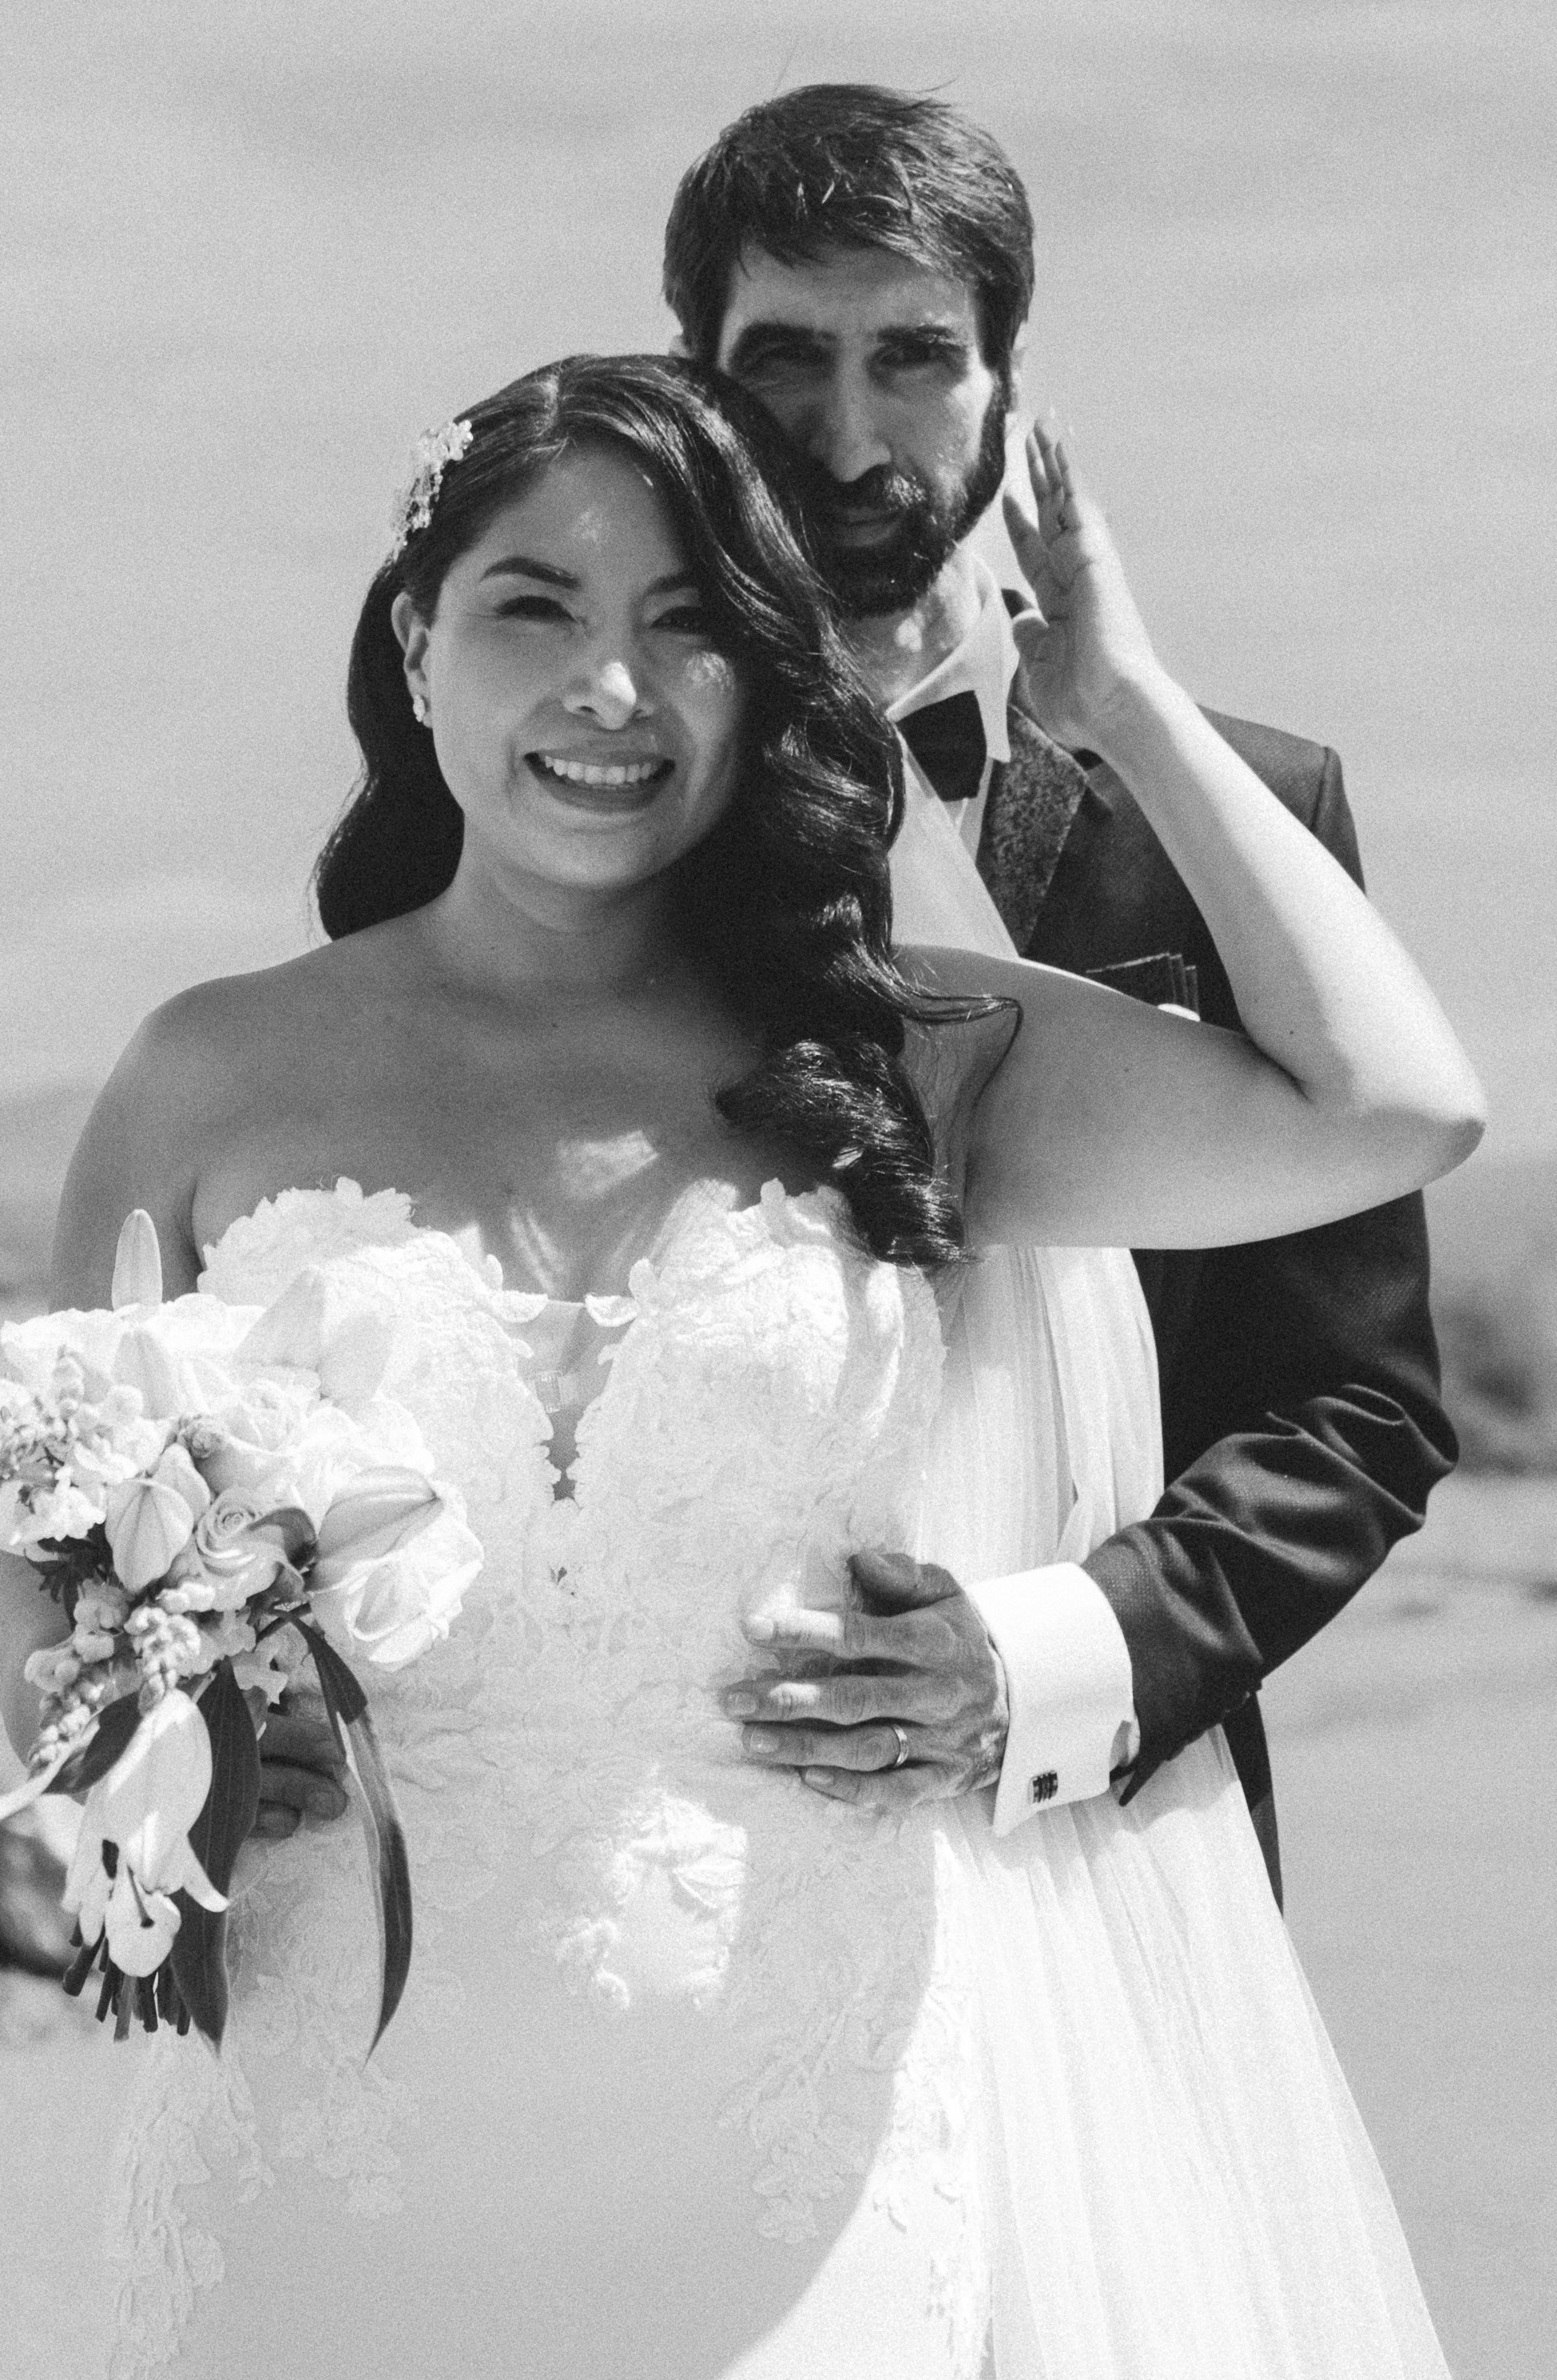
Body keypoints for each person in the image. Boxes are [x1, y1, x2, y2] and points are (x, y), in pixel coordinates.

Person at [0, 353, 1480, 2376]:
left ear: (762, 680)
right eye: (538, 608)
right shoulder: (206, 1067)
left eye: (687, 625)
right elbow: (40, 1573)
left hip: (799, 2148)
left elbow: (1388, 1106)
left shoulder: (900, 1049)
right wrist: (148, 1747)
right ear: (418, 644)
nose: (609, 688)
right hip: (317, 2146)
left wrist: (1119, 697)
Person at [665, 86, 1456, 1890]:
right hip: (678, 1836)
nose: (848, 434)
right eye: (783, 356)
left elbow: (1354, 1401)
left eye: (914, 359)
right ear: (693, 377)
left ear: (1006, 386)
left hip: (1100, 1844)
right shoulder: (593, 806)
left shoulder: (1245, 814)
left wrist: (1039, 1662)